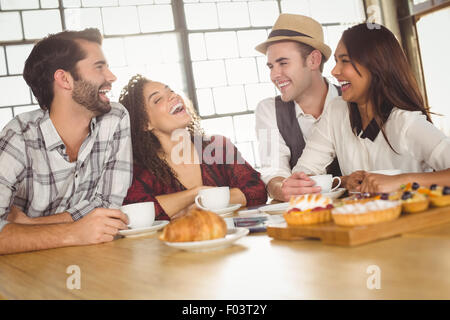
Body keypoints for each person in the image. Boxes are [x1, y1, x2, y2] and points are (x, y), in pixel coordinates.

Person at [0, 28, 133, 255]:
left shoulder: (115, 117)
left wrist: (28, 225)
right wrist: (74, 232)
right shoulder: (20, 137)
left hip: (94, 260)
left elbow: (108, 209)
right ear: (64, 79)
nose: (111, 77)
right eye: (99, 67)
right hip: (25, 271)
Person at [291, 23, 450, 193]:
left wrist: (402, 180)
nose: (335, 71)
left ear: (375, 65)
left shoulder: (406, 122)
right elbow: (302, 175)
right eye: (336, 61)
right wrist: (343, 181)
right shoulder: (336, 111)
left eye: (345, 61)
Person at [119, 75, 267, 221]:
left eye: (170, 91)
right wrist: (195, 193)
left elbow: (257, 190)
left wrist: (201, 204)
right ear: (145, 124)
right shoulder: (142, 171)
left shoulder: (217, 147)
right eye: (157, 99)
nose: (173, 96)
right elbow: (136, 213)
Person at [254, 13, 342, 202]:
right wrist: (282, 188)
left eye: (283, 63)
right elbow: (273, 171)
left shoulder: (351, 101)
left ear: (313, 60)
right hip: (305, 214)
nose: (274, 75)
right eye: (270, 66)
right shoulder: (268, 110)